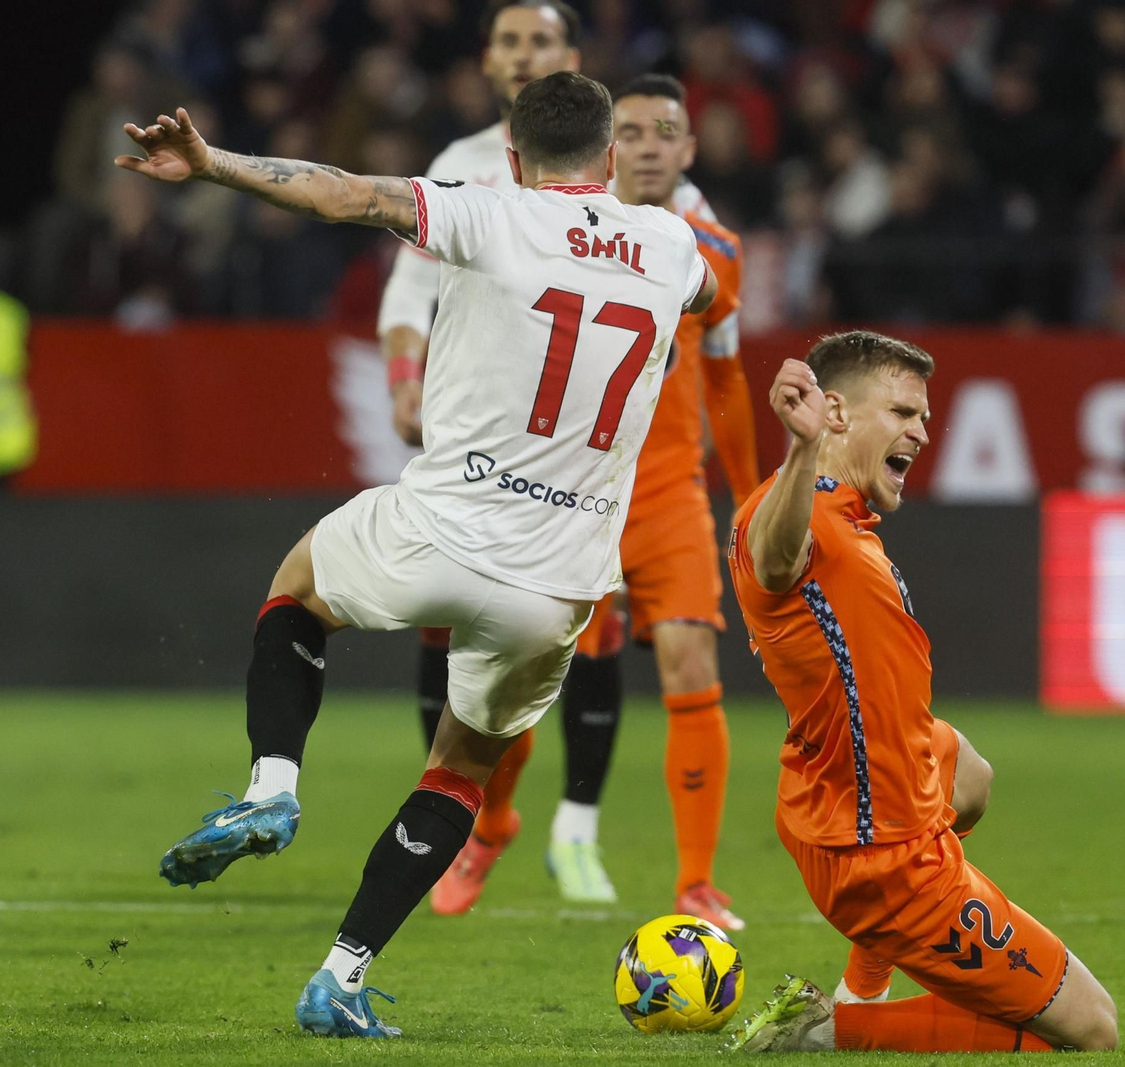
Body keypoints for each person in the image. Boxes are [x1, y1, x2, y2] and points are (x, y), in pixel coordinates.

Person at [116, 71, 715, 1039]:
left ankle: (273, 786)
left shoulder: (488, 212)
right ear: (611, 158)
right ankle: (341, 976)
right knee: (460, 771)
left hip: (441, 525)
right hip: (558, 583)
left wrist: (213, 162)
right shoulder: (672, 243)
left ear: (513, 158)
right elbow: (707, 291)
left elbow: (345, 192)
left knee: (299, 587)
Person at [376, 0, 713, 902]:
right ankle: (471, 818)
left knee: (576, 636)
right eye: (510, 40)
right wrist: (404, 380)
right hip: (481, 440)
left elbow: (708, 280)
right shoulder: (464, 170)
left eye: (542, 42)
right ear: (487, 60)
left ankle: (575, 827)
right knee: (458, 631)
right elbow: (408, 291)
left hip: (587, 459)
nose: (524, 54)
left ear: (572, 59)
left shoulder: (636, 172)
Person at [724, 332, 1118, 1053]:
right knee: (1093, 1028)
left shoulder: (844, 515)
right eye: (904, 411)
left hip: (835, 791)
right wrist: (801, 447)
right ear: (834, 413)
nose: (923, 431)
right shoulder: (794, 513)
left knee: (969, 772)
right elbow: (775, 561)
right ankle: (826, 1030)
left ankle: (865, 981)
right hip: (882, 855)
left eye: (925, 415)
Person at [428, 74, 758, 928]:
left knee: (691, 660)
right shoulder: (560, 226)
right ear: (613, 149)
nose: (651, 145)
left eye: (668, 132)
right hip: (570, 489)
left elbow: (725, 374)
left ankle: (696, 883)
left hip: (668, 492)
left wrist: (754, 498)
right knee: (528, 671)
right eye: (637, 131)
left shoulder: (707, 246)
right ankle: (494, 823)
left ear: (689, 149)